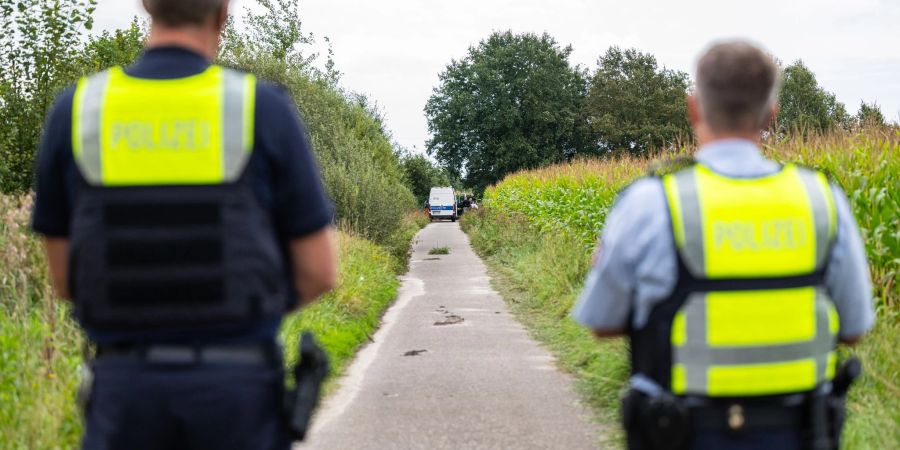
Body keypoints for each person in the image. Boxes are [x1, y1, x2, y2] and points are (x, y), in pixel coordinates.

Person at [31, 1, 338, 449]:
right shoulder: (261, 108)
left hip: (125, 397)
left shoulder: (77, 111)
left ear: (145, 6)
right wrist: (243, 309)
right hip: (236, 394)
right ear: (222, 13)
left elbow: (64, 282)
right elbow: (319, 271)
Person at [572, 41, 874, 450]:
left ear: (693, 108)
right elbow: (855, 328)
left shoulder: (651, 202)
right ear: (772, 114)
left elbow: (602, 322)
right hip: (800, 432)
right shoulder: (822, 199)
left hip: (680, 432)